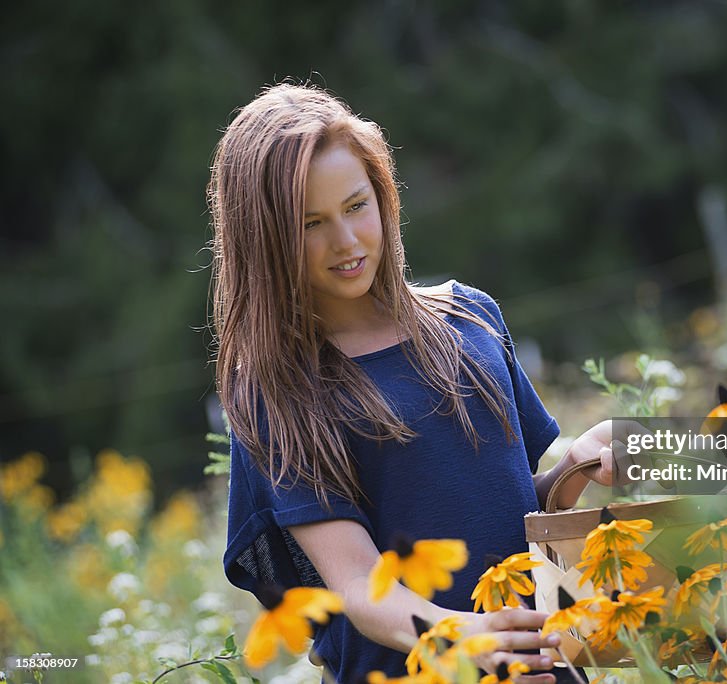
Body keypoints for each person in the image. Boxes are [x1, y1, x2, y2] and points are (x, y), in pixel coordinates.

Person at [210, 83, 617, 683]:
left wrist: (575, 469)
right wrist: (465, 638)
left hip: (534, 665)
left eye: (356, 206)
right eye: (311, 223)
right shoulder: (281, 390)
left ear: (383, 194)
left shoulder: (471, 318)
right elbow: (355, 583)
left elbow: (495, 507)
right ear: (263, 238)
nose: (346, 242)